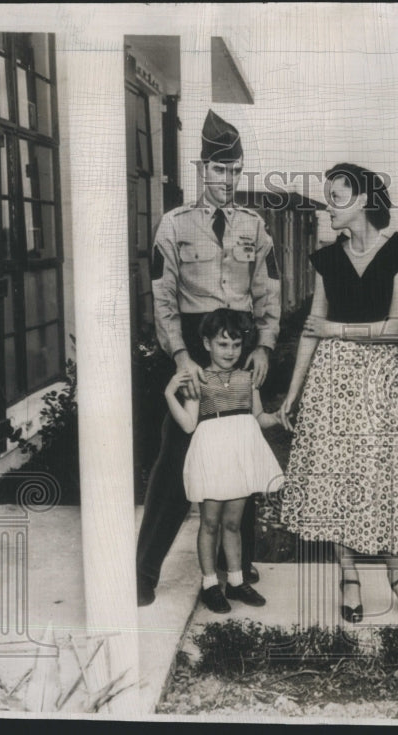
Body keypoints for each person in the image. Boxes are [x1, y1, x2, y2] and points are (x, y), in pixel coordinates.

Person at [136, 110, 281, 607]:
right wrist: (180, 356)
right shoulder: (173, 226)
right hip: (194, 350)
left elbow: (269, 293)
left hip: (238, 344)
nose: (228, 180)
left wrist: (263, 345)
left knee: (239, 452)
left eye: (236, 170)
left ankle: (235, 567)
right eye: (219, 170)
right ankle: (144, 571)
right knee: (177, 459)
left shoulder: (254, 227)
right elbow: (162, 297)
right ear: (202, 170)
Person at [278, 163, 398, 622]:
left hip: (378, 383)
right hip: (331, 381)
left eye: (337, 197)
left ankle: (395, 572)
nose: (329, 206)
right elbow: (310, 330)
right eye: (327, 197)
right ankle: (348, 574)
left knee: (380, 475)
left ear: (362, 201)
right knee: (342, 476)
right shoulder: (327, 258)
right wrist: (291, 394)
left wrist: (336, 330)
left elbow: (394, 330)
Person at [165, 309, 283, 613]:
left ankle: (235, 580)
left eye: (235, 345)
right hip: (212, 454)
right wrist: (169, 394)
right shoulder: (199, 378)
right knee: (211, 522)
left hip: (240, 453)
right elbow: (190, 424)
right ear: (207, 344)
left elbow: (258, 418)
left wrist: (278, 417)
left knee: (233, 523)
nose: (229, 351)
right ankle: (209, 584)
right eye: (222, 344)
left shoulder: (248, 379)